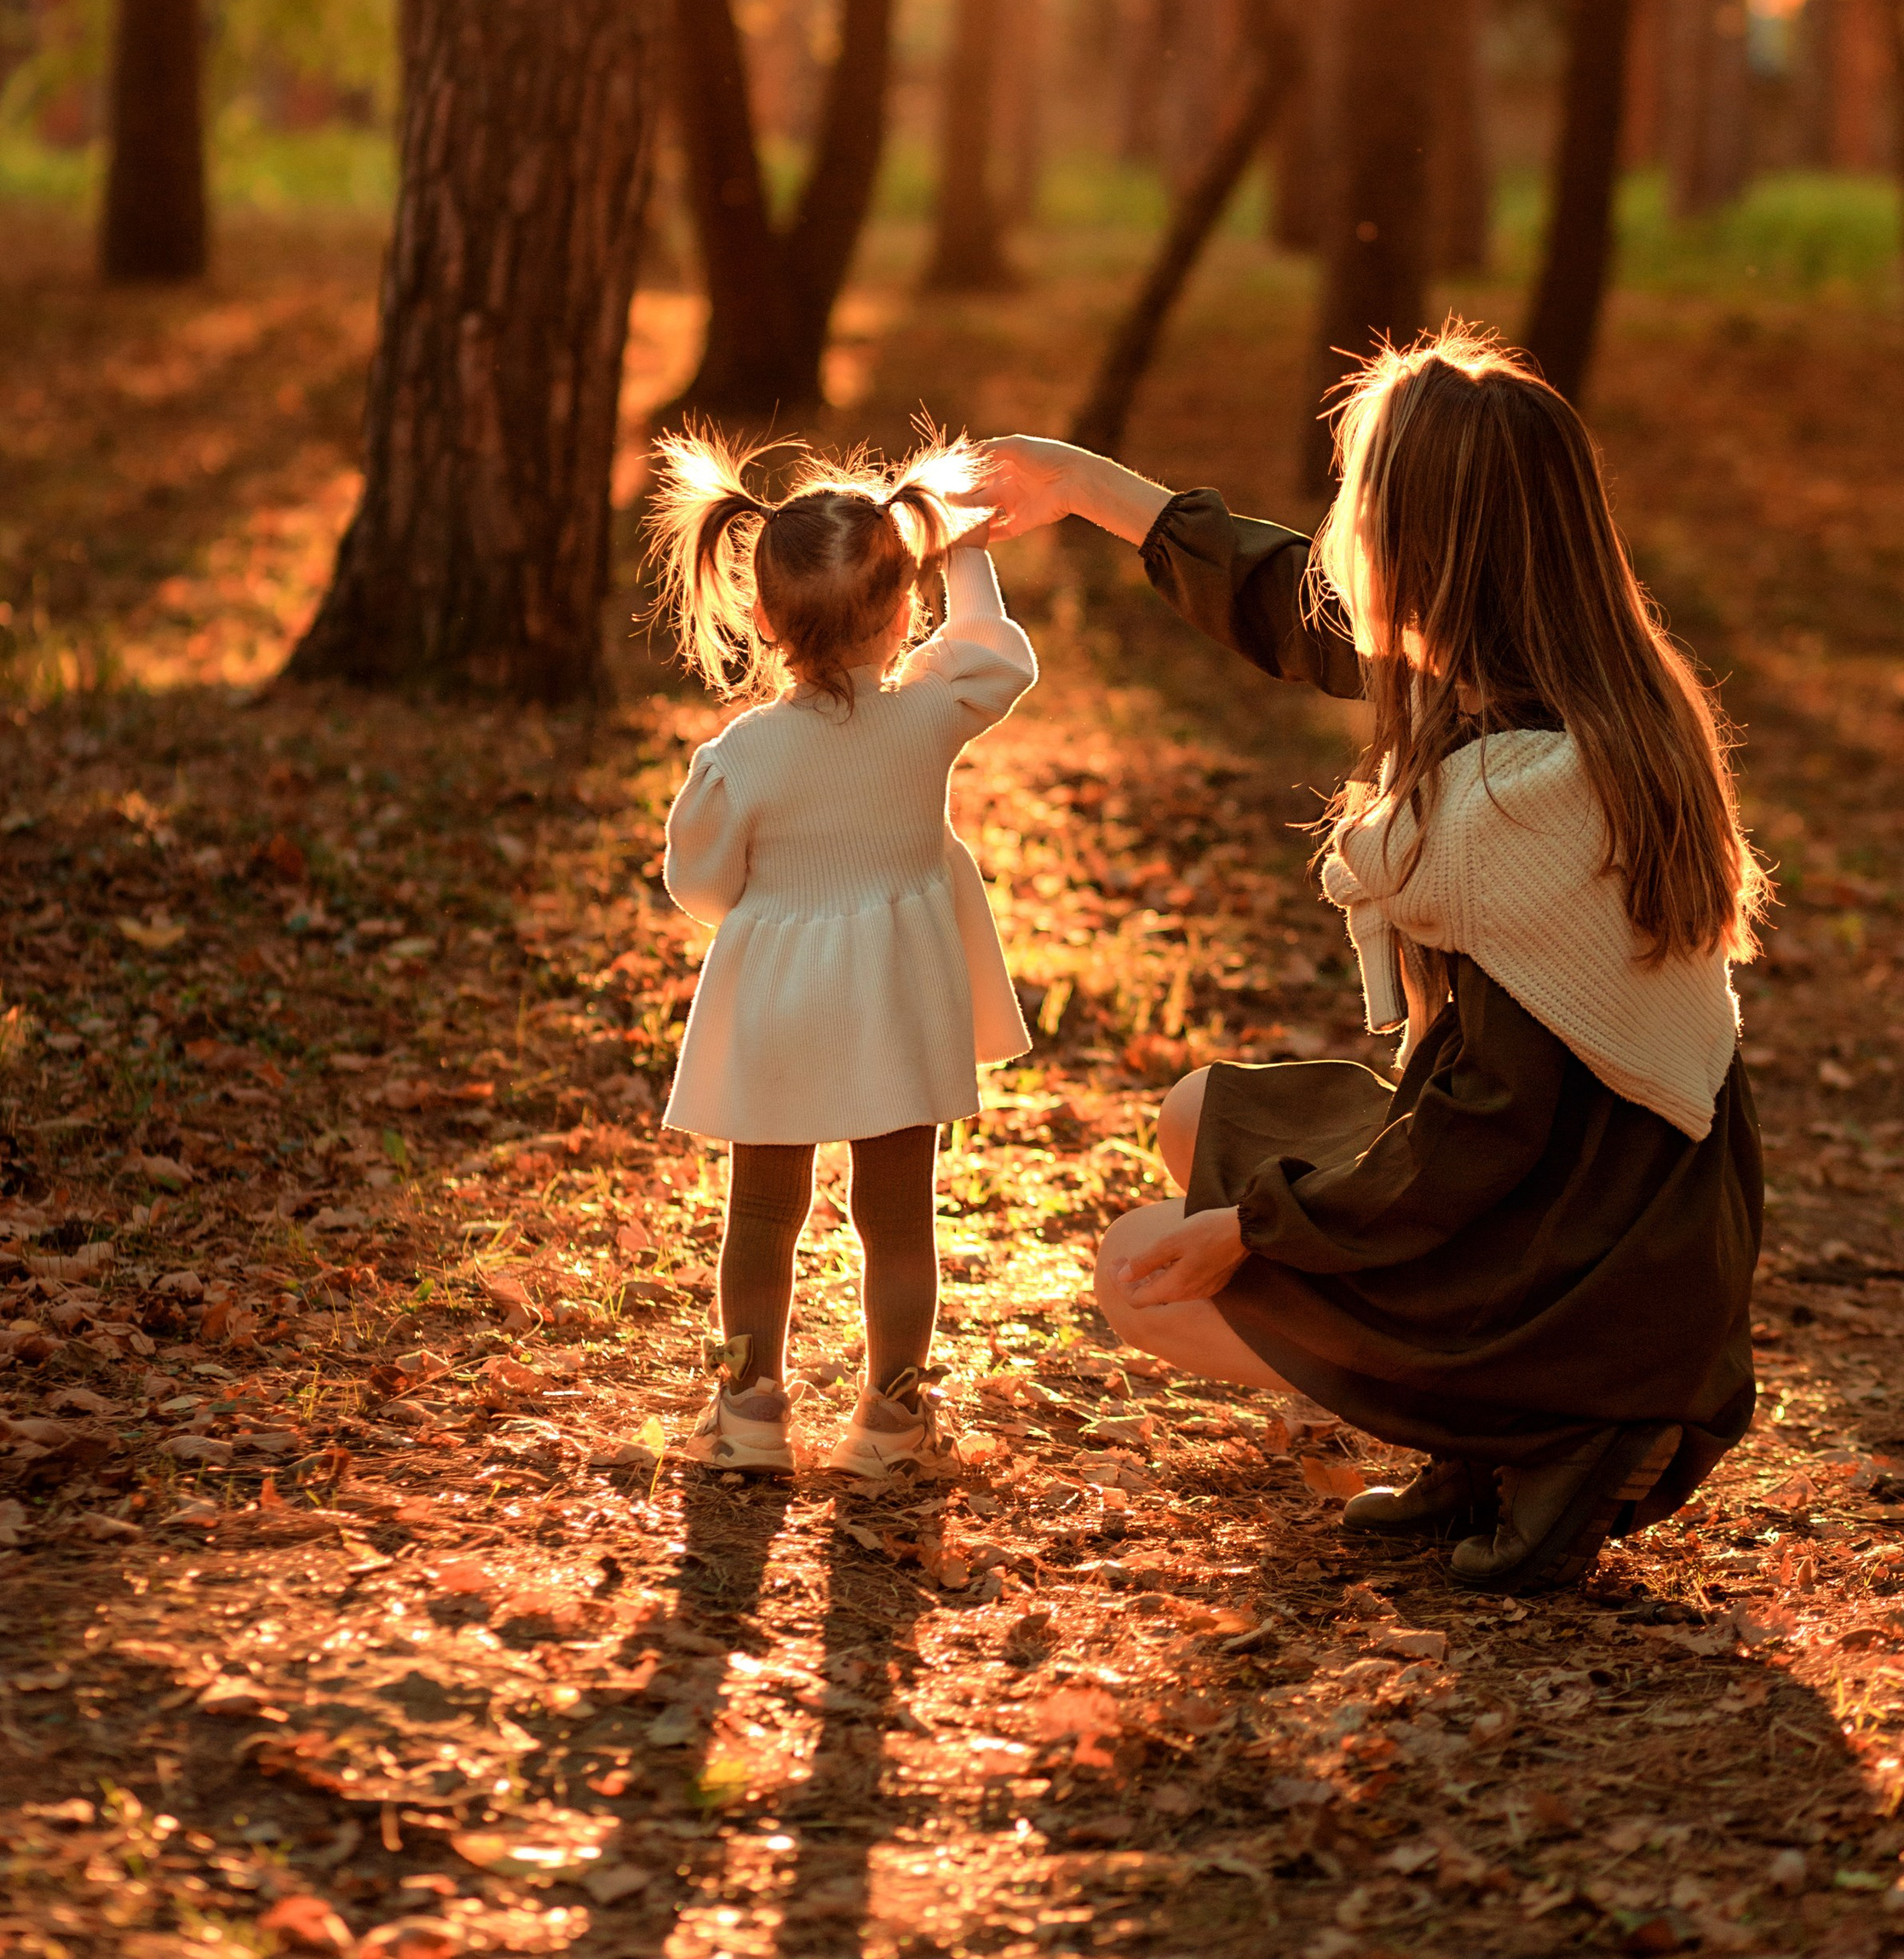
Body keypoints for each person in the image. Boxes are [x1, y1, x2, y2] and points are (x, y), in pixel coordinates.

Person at [982, 326, 1765, 1594]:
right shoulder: (1554, 673)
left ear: (1429, 548)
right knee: (1199, 1117)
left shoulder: (1527, 801)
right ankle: (1484, 1449)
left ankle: (1549, 1431)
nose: (1341, 534)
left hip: (1596, 1270)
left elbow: (1480, 1131)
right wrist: (1080, 485)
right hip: (1609, 1208)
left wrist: (1259, 1228)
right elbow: (1288, 606)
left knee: (1142, 1275)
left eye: (1362, 503)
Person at [648, 434, 1035, 1484]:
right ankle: (891, 1421)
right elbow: (1003, 655)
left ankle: (747, 1410)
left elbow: (700, 887)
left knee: (764, 1214)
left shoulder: (742, 755)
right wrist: (957, 548)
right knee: (898, 1217)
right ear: (904, 612)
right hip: (899, 999)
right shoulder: (928, 717)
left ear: (761, 618)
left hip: (777, 1000)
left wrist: (765, 905)